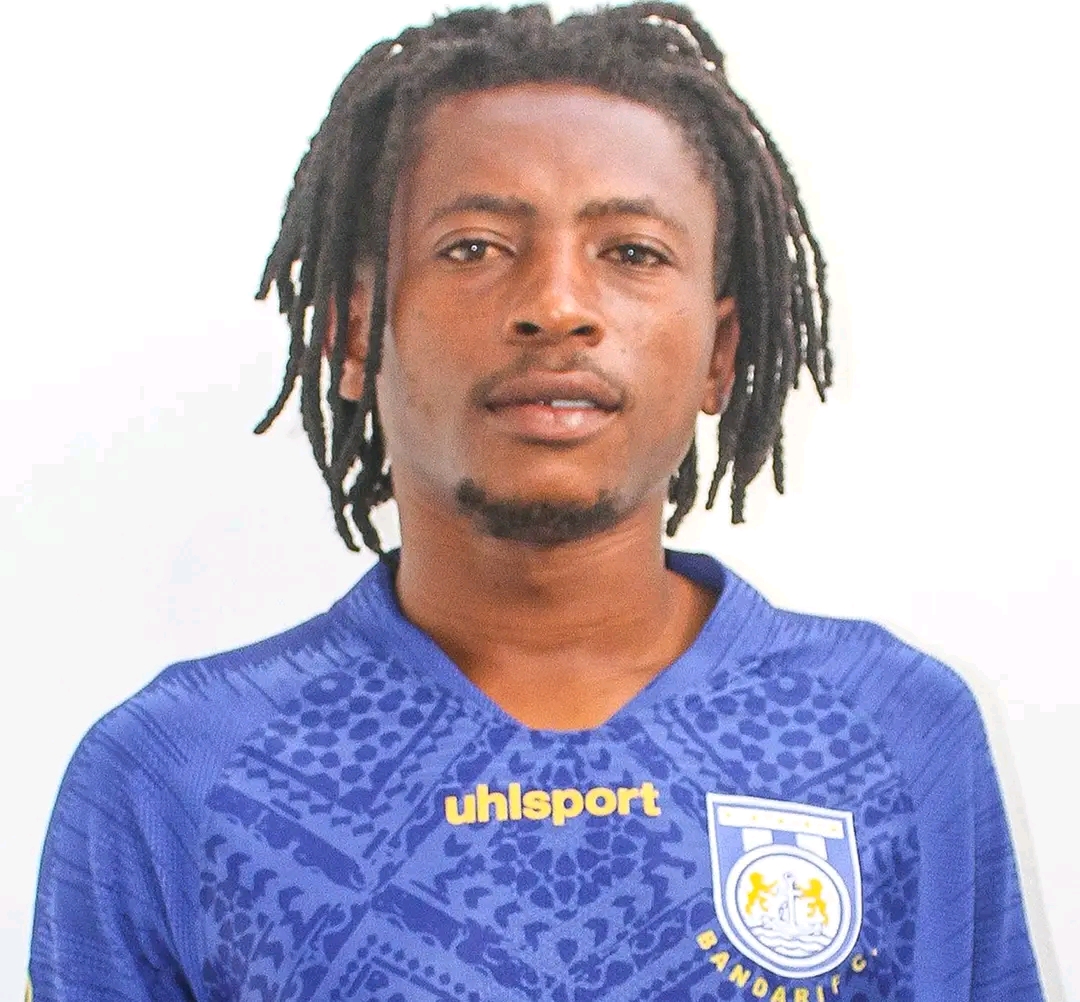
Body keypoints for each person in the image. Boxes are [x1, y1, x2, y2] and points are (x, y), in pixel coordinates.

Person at [28, 4, 1045, 1001]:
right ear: (353, 333)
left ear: (720, 353)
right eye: (474, 246)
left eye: (632, 253)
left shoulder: (889, 731)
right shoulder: (173, 774)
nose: (557, 305)